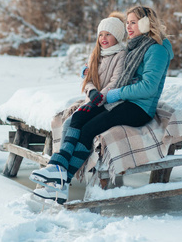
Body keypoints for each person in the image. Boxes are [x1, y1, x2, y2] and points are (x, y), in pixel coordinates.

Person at [30, 5, 174, 204]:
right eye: (128, 22)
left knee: (89, 129)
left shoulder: (156, 49)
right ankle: (58, 175)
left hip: (139, 108)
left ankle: (62, 180)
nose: (129, 27)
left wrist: (116, 94)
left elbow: (148, 87)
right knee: (78, 119)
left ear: (145, 23)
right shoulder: (136, 46)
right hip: (124, 101)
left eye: (133, 22)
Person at [30, 12, 127, 203]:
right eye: (101, 35)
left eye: (108, 34)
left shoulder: (121, 55)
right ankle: (61, 184)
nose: (103, 39)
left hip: (109, 102)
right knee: (70, 124)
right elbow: (88, 78)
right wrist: (91, 93)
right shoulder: (96, 55)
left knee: (77, 121)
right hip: (94, 99)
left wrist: (97, 98)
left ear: (117, 36)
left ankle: (57, 168)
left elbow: (115, 83)